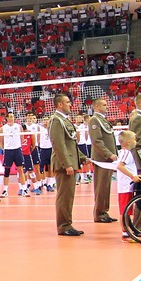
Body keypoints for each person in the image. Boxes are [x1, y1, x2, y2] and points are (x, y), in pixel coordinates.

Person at [48, 94, 84, 236]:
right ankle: (63, 226)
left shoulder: (64, 120)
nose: (71, 104)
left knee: (69, 196)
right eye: (68, 102)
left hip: (70, 162)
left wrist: (82, 157)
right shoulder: (56, 120)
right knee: (64, 196)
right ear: (60, 105)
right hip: (64, 165)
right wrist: (67, 164)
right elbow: (58, 144)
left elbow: (71, 143)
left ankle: (67, 223)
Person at [88, 97, 118, 223]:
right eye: (104, 105)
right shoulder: (94, 120)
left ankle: (104, 211)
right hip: (102, 159)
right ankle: (99, 213)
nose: (107, 107)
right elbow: (97, 141)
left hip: (108, 160)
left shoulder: (103, 120)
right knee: (101, 187)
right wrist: (109, 154)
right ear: (97, 107)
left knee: (106, 186)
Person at [112, 130, 141, 243]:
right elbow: (120, 166)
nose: (136, 142)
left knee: (127, 209)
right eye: (135, 139)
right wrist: (132, 176)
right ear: (129, 142)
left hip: (127, 186)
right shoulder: (126, 153)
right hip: (126, 186)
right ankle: (125, 233)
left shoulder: (124, 153)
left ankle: (127, 231)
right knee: (125, 210)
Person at [1, 112, 27, 197]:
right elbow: (1, 141)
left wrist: (18, 146)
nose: (12, 118)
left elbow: (22, 139)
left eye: (13, 116)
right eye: (10, 117)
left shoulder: (18, 127)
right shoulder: (3, 128)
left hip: (17, 150)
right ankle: (5, 190)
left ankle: (24, 189)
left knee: (20, 170)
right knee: (7, 171)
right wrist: (5, 148)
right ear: (7, 118)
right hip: (8, 151)